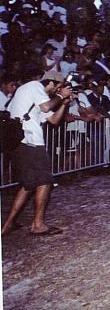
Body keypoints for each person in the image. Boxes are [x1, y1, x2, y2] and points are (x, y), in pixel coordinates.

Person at [1, 72, 74, 236]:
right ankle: (38, 225)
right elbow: (46, 107)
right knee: (45, 180)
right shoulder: (34, 86)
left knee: (29, 184)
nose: (58, 90)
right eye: (58, 87)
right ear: (52, 84)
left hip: (24, 141)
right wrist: (60, 96)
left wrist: (64, 102)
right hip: (29, 140)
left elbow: (54, 120)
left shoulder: (35, 95)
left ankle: (7, 224)